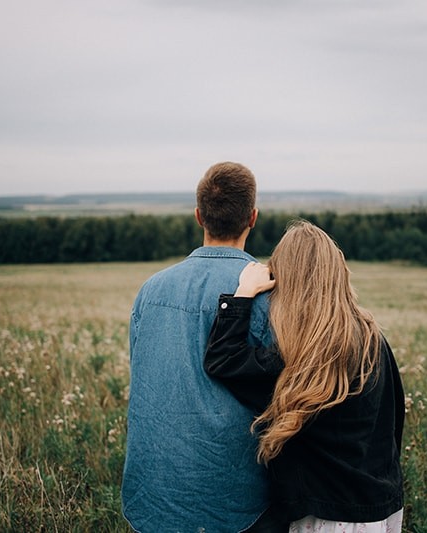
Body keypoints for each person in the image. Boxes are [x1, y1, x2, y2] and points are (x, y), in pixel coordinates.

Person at [204, 220, 405, 532]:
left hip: (328, 514)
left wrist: (243, 295)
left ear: (284, 282)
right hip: (381, 506)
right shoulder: (371, 336)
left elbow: (222, 359)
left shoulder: (299, 356)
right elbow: (394, 421)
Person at [122, 162, 286, 532]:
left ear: (199, 216)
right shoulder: (270, 294)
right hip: (240, 503)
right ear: (253, 218)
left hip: (153, 496)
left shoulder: (150, 291)